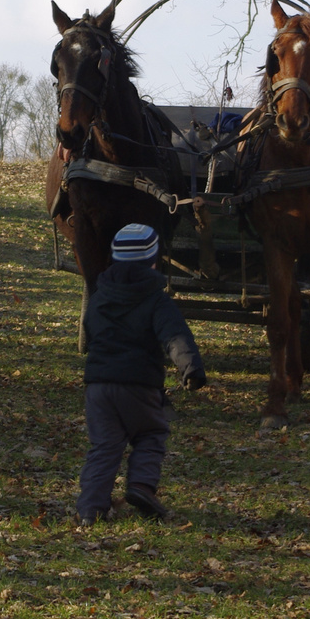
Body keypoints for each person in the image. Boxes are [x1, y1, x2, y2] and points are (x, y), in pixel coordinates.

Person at [77, 223, 207, 526]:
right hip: (138, 384)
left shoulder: (100, 295)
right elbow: (175, 336)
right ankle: (141, 487)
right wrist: (191, 368)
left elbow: (90, 329)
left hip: (97, 386)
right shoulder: (157, 300)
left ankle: (90, 509)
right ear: (153, 260)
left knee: (104, 446)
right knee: (150, 433)